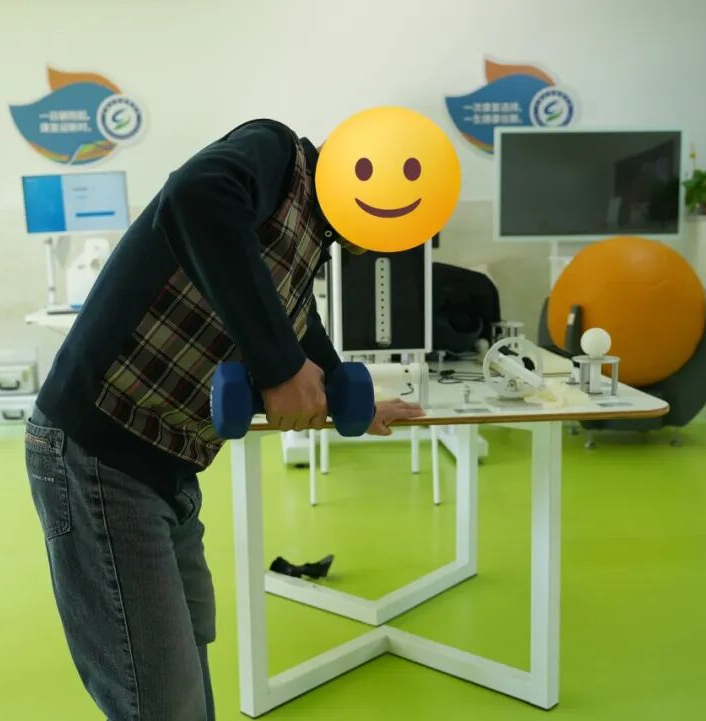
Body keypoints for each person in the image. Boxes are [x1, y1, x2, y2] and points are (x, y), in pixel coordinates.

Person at [25, 118, 425, 721]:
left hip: (168, 469)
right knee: (162, 702)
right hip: (99, 454)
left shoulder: (310, 232)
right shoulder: (276, 153)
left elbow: (290, 317)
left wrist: (349, 399)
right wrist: (279, 367)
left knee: (187, 673)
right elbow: (195, 197)